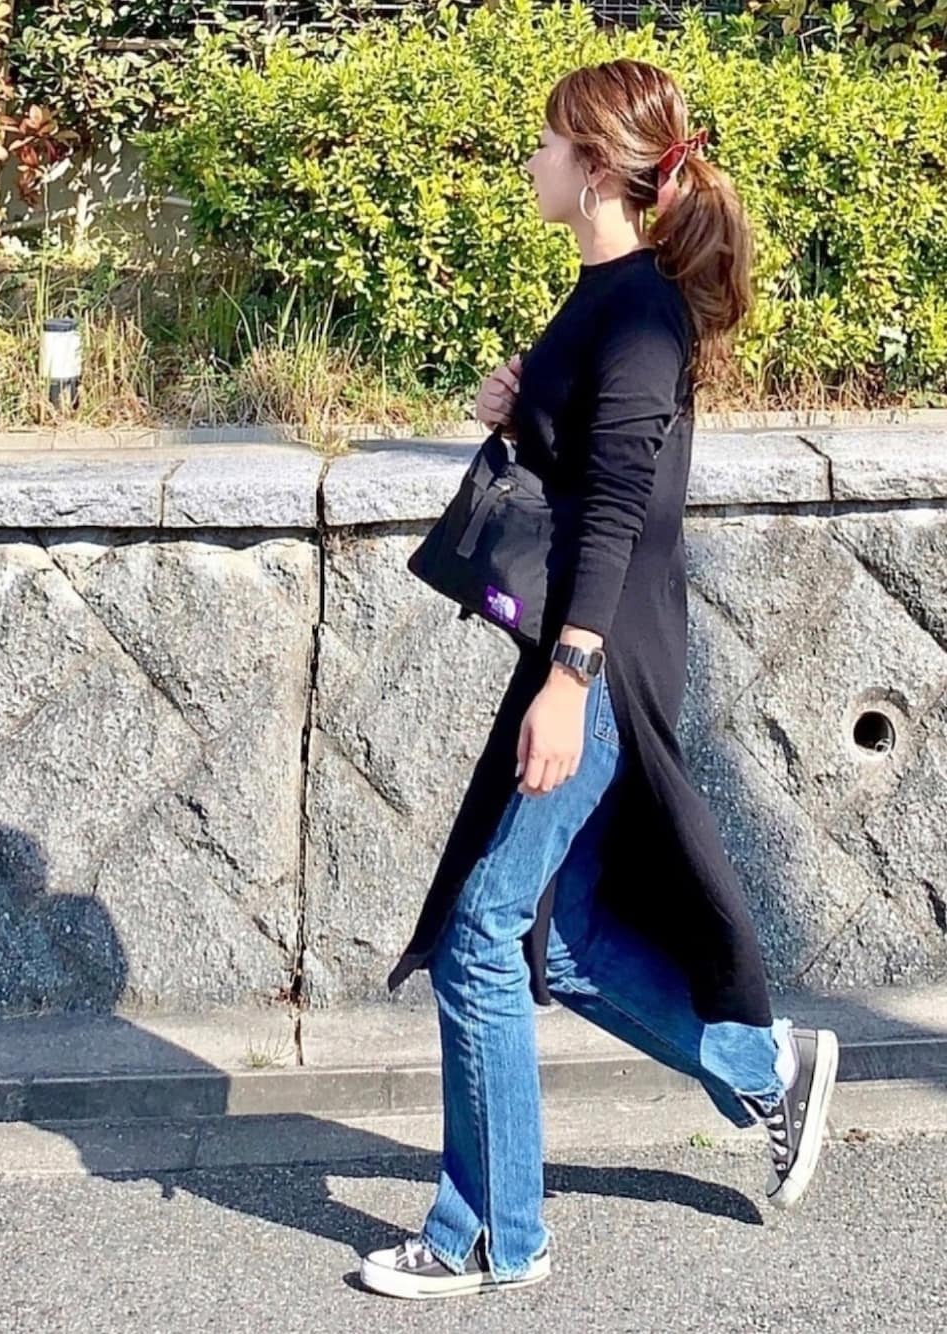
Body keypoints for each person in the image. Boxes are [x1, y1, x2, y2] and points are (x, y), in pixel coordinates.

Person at [360, 56, 839, 1301]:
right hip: (586, 650)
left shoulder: (637, 314)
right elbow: (585, 469)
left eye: (544, 143)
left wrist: (569, 679)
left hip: (601, 663)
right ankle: (764, 1069)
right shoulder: (603, 297)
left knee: (480, 934)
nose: (528, 160)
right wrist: (516, 411)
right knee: (557, 945)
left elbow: (622, 507)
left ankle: (489, 1234)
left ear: (593, 168)